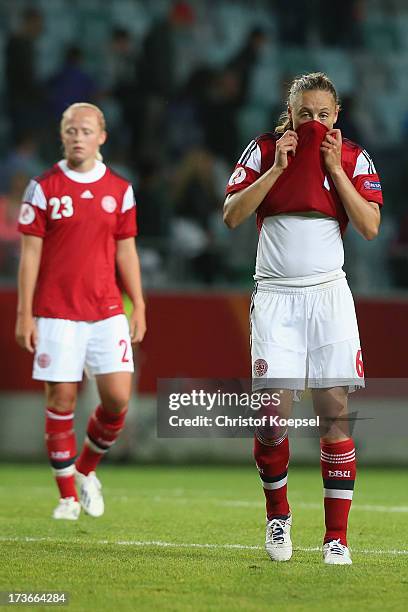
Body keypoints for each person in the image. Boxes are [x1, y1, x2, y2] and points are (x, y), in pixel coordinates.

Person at [223, 72, 383, 565]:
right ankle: (278, 518)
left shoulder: (353, 157)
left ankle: (337, 538)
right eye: (305, 113)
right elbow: (231, 215)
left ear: (337, 116)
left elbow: (370, 226)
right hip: (275, 297)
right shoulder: (264, 149)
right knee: (272, 419)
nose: (314, 121)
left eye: (323, 114)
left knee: (335, 416)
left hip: (329, 297)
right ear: (289, 112)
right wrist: (277, 170)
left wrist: (334, 170)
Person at [15, 102, 146, 520]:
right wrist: (24, 313)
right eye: (71, 130)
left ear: (101, 137)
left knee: (117, 399)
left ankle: (87, 470)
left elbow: (126, 250)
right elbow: (29, 255)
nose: (78, 137)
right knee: (62, 396)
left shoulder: (120, 190)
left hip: (107, 310)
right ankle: (67, 496)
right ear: (62, 135)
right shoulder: (43, 187)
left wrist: (139, 303)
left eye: (86, 130)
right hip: (56, 312)